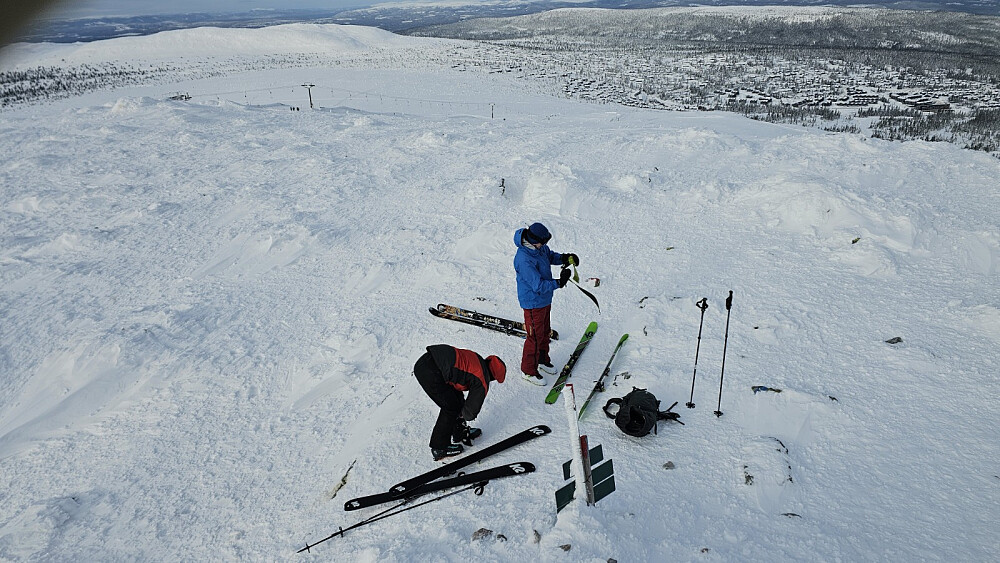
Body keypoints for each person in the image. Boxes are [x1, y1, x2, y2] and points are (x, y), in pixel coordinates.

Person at [413, 345, 506, 460]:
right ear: (492, 376)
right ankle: (439, 447)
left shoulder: (477, 359)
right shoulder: (482, 377)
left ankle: (459, 433)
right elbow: (470, 413)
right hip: (431, 372)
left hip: (427, 361)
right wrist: (463, 413)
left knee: (456, 398)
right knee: (450, 407)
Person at [513, 222, 579, 385]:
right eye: (543, 242)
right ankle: (528, 371)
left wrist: (564, 258)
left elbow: (549, 256)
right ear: (534, 240)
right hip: (533, 302)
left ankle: (542, 360)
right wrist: (560, 282)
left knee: (544, 332)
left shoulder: (538, 248)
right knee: (534, 337)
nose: (545, 245)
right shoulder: (524, 259)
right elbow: (538, 285)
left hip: (544, 300)